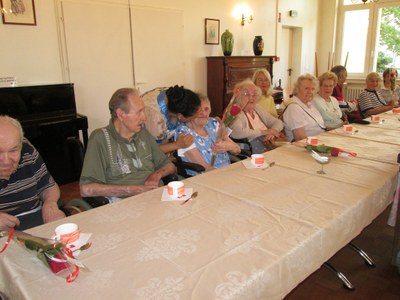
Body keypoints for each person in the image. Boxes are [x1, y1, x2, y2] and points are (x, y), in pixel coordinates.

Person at [79, 88, 176, 203]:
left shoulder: (143, 134)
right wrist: (132, 190)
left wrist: (156, 175)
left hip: (155, 197)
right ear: (121, 114)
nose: (144, 118)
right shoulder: (99, 138)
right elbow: (86, 189)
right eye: (139, 112)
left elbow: (170, 166)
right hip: (123, 203)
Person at [0, 116, 65, 230]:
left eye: (13, 150)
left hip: (34, 218)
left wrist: (50, 204)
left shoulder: (26, 148)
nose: (6, 161)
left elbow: (48, 186)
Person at [175, 94, 240, 176]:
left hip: (227, 171)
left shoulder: (213, 123)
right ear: (190, 112)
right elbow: (204, 168)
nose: (203, 113)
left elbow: (237, 150)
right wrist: (229, 175)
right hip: (206, 177)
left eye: (206, 109)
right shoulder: (183, 132)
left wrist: (229, 146)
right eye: (198, 110)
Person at [229, 79, 284, 154]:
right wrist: (264, 132)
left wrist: (272, 132)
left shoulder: (257, 108)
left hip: (269, 145)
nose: (251, 98)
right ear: (238, 96)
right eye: (247, 94)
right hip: (253, 150)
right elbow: (236, 132)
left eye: (254, 94)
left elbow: (278, 122)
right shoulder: (236, 111)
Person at [143, 86, 201, 155]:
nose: (196, 118)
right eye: (193, 118)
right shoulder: (156, 121)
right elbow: (151, 151)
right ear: (180, 116)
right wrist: (177, 144)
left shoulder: (175, 95)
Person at [282, 73, 326, 142]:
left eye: (312, 89)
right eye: (306, 88)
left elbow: (321, 126)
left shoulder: (309, 105)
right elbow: (300, 138)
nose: (310, 92)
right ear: (297, 89)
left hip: (319, 140)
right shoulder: (293, 108)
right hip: (305, 147)